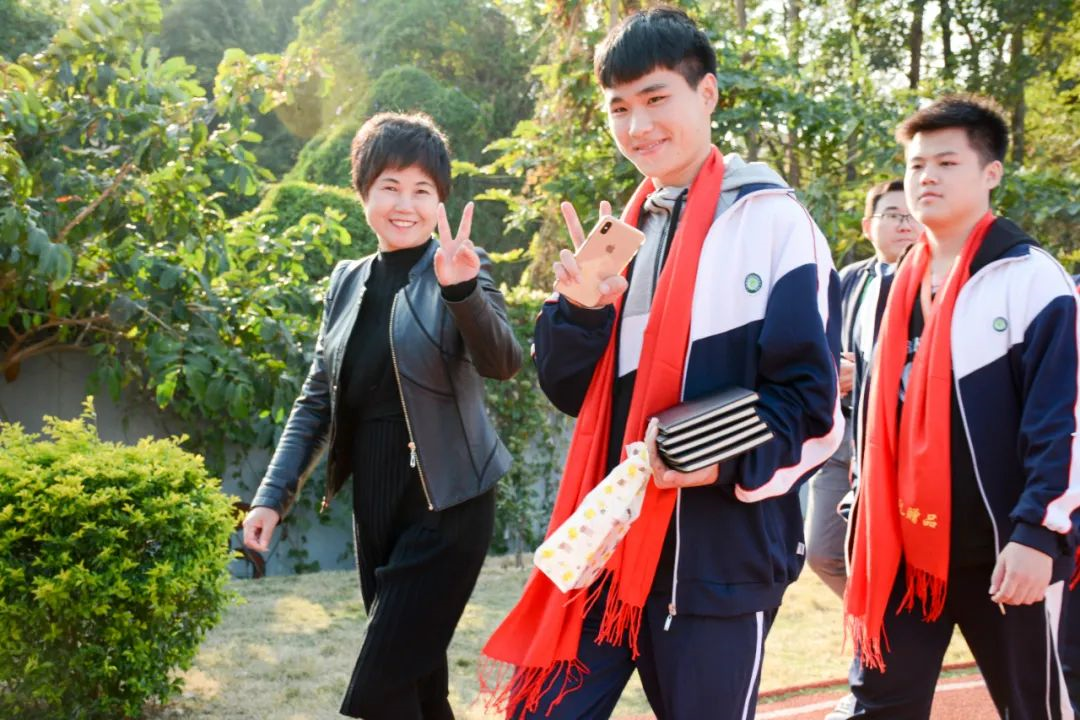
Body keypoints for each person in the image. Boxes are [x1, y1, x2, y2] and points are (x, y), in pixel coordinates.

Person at [481, 8, 843, 719]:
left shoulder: (774, 223)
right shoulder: (624, 232)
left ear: (706, 94)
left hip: (716, 565)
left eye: (655, 99)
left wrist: (715, 461)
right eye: (619, 107)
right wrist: (579, 311)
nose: (636, 125)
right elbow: (568, 391)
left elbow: (811, 405)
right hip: (604, 546)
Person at [241, 112, 522, 719]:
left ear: (440, 201)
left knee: (379, 690)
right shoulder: (346, 280)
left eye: (423, 190)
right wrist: (271, 498)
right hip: (375, 505)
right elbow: (318, 399)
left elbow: (503, 362)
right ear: (363, 191)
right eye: (390, 186)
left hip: (449, 503)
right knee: (419, 690)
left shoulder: (462, 264)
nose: (406, 204)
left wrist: (461, 291)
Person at [841, 95, 1079, 719]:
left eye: (947, 163)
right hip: (901, 549)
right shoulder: (887, 287)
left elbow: (1062, 420)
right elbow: (877, 416)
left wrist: (1038, 532)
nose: (927, 178)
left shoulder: (1030, 278)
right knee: (878, 707)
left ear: (991, 172)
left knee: (1037, 707)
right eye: (917, 165)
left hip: (1005, 548)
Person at [805, 179, 919, 599]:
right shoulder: (849, 279)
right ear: (868, 226)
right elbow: (817, 346)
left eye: (911, 215)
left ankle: (898, 628)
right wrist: (832, 371)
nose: (904, 224)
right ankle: (877, 623)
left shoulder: (938, 279)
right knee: (823, 552)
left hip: (907, 439)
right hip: (845, 434)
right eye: (892, 214)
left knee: (906, 551)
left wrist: (870, 374)